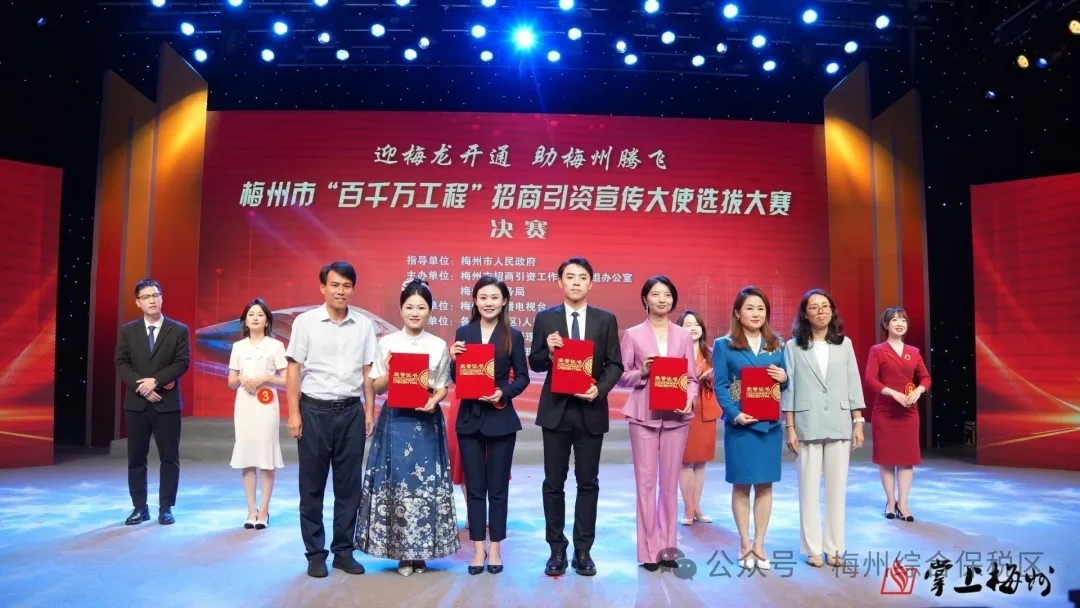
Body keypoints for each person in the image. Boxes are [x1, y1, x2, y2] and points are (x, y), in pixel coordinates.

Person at [356, 279, 460, 577]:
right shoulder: (388, 343)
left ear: (430, 311)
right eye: (410, 307)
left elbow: (442, 386)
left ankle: (422, 552)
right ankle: (402, 554)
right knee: (397, 484)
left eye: (421, 308)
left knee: (424, 486)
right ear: (401, 309)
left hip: (426, 422)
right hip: (396, 421)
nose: (415, 313)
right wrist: (389, 372)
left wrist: (434, 400)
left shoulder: (437, 345)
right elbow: (376, 385)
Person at [529, 257, 623, 577]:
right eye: (570, 277)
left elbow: (615, 364)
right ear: (560, 282)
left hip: (590, 411)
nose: (576, 282)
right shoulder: (545, 318)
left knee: (588, 483)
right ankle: (556, 549)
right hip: (556, 411)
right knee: (553, 484)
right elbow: (536, 363)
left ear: (591, 283)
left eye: (582, 277)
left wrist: (600, 388)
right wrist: (547, 350)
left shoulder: (605, 319)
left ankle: (584, 550)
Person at [285, 261, 377, 579]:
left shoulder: (363, 325)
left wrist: (369, 410)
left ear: (353, 289)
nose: (341, 291)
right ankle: (315, 554)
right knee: (311, 486)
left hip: (351, 411)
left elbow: (368, 371)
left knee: (349, 487)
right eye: (335, 285)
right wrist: (294, 412)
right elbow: (294, 368)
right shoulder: (305, 323)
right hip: (314, 411)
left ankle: (343, 551)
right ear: (323, 287)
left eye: (346, 286)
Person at [449, 275, 530, 575]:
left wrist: (503, 393)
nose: (488, 303)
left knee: (497, 488)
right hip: (469, 419)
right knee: (474, 488)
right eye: (483, 297)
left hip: (500, 418)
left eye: (494, 297)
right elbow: (458, 378)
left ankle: (495, 547)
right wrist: (452, 360)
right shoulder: (464, 332)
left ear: (504, 301)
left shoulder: (513, 335)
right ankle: (478, 548)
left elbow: (522, 377)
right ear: (475, 300)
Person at [781, 289, 865, 568]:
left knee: (837, 490)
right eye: (814, 307)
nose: (821, 311)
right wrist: (790, 426)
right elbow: (789, 388)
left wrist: (857, 422)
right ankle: (812, 548)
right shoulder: (793, 346)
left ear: (832, 311)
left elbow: (853, 383)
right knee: (808, 490)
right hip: (807, 423)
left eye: (825, 306)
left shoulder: (845, 344)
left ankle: (835, 547)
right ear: (805, 314)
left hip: (839, 422)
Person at [618, 276, 697, 572]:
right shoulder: (633, 334)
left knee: (669, 485)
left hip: (676, 417)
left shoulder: (683, 336)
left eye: (667, 295)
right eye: (655, 294)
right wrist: (642, 371)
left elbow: (691, 378)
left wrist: (689, 398)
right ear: (645, 299)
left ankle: (667, 549)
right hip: (644, 416)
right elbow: (621, 376)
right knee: (646, 484)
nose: (662, 299)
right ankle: (648, 551)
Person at [712, 286, 788, 570]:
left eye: (761, 309)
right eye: (750, 308)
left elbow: (785, 385)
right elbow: (720, 385)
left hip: (770, 426)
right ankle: (744, 543)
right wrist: (734, 414)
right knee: (742, 485)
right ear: (737, 313)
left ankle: (760, 544)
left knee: (765, 485)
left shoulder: (777, 344)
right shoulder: (724, 345)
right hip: (741, 426)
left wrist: (785, 378)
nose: (756, 314)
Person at [114, 279, 191, 526]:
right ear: (138, 302)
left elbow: (182, 362)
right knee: (136, 458)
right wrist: (142, 387)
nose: (152, 300)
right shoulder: (128, 331)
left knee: (169, 457)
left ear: (162, 298)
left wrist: (155, 382)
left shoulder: (178, 330)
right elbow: (121, 363)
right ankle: (139, 507)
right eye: (146, 297)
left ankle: (166, 507)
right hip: (137, 403)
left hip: (166, 403)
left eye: (155, 295)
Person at [865, 306, 931, 522]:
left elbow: (925, 378)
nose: (900, 323)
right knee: (886, 459)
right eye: (894, 320)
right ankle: (890, 501)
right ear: (886, 325)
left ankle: (903, 503)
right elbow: (870, 380)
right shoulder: (878, 350)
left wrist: (919, 390)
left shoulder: (914, 352)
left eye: (903, 320)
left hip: (908, 412)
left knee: (906, 459)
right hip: (885, 410)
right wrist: (893, 394)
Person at [227, 298, 287, 529]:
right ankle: (251, 510)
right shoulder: (238, 347)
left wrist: (267, 377)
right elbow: (231, 382)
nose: (255, 318)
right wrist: (242, 378)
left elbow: (288, 379)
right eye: (251, 314)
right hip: (245, 404)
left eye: (260, 315)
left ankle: (263, 511)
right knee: (248, 457)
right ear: (245, 320)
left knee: (266, 457)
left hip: (266, 404)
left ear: (267, 321)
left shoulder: (276, 346)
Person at [677, 310, 720, 526]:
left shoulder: (712, 354)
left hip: (706, 411)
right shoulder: (675, 352)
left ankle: (697, 506)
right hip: (684, 410)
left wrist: (712, 376)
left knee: (701, 462)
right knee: (686, 461)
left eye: (696, 324)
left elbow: (724, 381)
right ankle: (688, 507)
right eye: (687, 324)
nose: (693, 328)